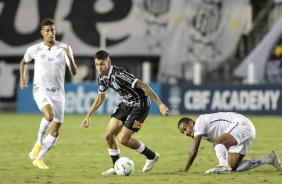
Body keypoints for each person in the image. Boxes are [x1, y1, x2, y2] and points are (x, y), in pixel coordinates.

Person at [80, 50, 170, 175]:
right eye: (96, 64)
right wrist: (88, 116)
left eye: (101, 64)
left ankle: (152, 156)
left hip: (140, 106)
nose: (99, 67)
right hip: (126, 104)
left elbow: (143, 85)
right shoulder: (101, 77)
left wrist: (160, 105)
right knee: (109, 135)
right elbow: (101, 97)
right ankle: (116, 167)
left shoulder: (119, 74)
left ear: (109, 63)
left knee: (123, 139)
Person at [19, 18, 77, 169]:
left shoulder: (64, 48)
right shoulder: (35, 49)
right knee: (49, 116)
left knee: (55, 131)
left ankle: (38, 158)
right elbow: (23, 61)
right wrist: (22, 78)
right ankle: (38, 142)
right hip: (41, 89)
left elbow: (74, 72)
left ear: (55, 31)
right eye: (47, 31)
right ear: (42, 32)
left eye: (53, 30)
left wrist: (69, 57)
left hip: (58, 93)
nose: (51, 33)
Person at [177, 112, 282, 174]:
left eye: (185, 128)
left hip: (241, 124)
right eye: (183, 132)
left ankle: (222, 166)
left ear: (191, 123)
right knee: (233, 167)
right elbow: (225, 142)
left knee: (217, 143)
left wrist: (186, 169)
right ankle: (269, 159)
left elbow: (194, 149)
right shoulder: (204, 134)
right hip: (245, 131)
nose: (186, 133)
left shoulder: (199, 122)